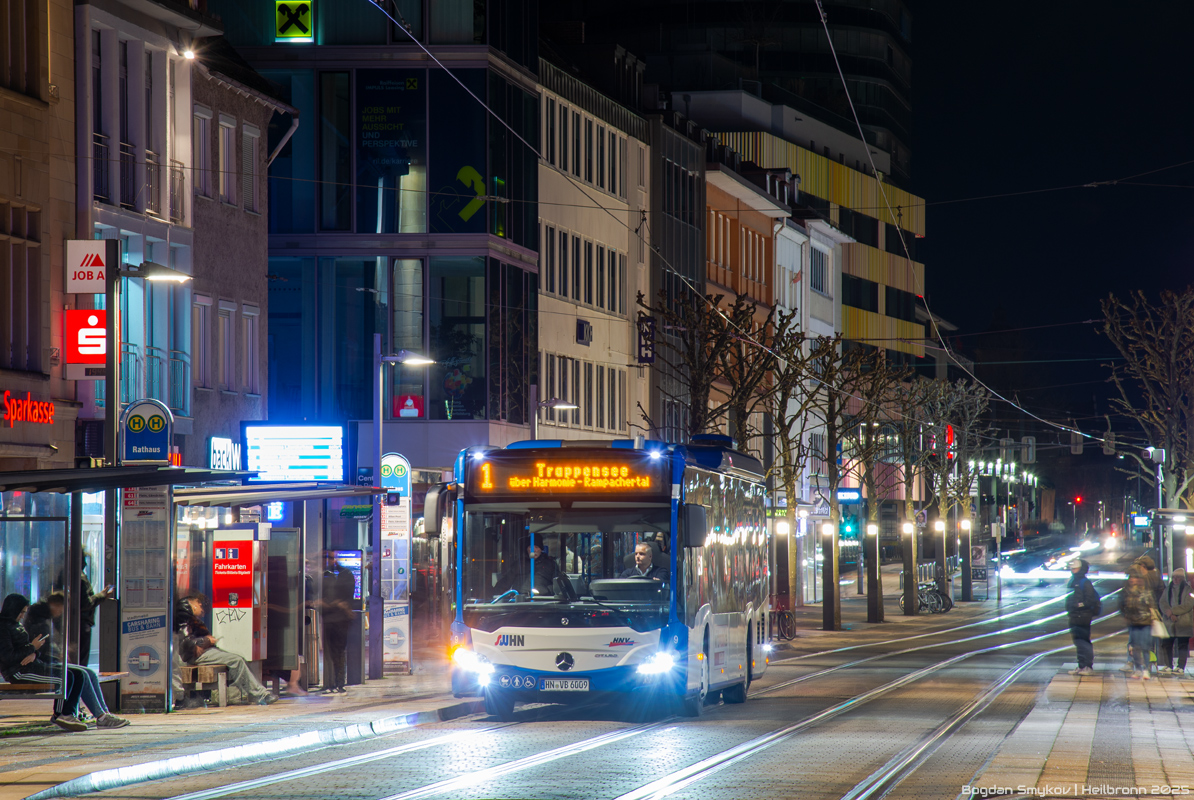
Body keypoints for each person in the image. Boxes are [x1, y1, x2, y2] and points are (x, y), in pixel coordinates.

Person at [0, 593, 129, 730]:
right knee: (66, 677)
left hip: (33, 664)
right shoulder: (4, 628)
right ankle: (63, 714)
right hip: (19, 671)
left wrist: (34, 652)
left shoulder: (17, 625)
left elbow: (30, 647)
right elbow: (8, 656)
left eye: (24, 612)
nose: (22, 616)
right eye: (21, 612)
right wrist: (33, 649)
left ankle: (92, 714)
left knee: (79, 674)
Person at [176, 594, 276, 705]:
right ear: (197, 604)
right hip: (193, 655)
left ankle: (255, 693)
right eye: (203, 611)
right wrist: (207, 640)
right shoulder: (183, 615)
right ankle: (259, 694)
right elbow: (186, 642)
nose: (202, 615)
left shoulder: (185, 614)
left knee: (237, 659)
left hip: (199, 652)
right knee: (236, 660)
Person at [321, 555, 356, 694]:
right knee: (336, 652)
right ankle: (337, 683)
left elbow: (343, 600)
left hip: (336, 620)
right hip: (335, 620)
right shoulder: (342, 575)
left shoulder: (340, 576)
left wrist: (330, 603)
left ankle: (337, 682)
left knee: (337, 651)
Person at [1119, 572, 1158, 679]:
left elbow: (1152, 606)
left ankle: (1145, 669)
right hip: (1133, 623)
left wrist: (1152, 619)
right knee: (1135, 647)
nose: (1133, 580)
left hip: (1145, 622)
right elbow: (1122, 605)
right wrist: (1126, 615)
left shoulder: (1146, 592)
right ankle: (1138, 668)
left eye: (1135, 577)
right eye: (1131, 577)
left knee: (1145, 647)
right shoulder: (1127, 592)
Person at [1065, 559, 1100, 676]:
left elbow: (1090, 600)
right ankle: (1081, 666)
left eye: (1075, 568)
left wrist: (1079, 605)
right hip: (1075, 615)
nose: (1073, 571)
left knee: (1084, 641)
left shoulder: (1084, 582)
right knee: (1078, 642)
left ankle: (1087, 666)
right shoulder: (1074, 581)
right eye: (1072, 569)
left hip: (1083, 616)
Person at [493, 538, 561, 598]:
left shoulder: (550, 564)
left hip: (543, 601)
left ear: (541, 549)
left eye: (536, 547)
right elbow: (506, 581)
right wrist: (493, 594)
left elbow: (558, 584)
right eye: (530, 547)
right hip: (520, 601)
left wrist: (546, 591)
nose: (533, 550)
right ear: (527, 549)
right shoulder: (519, 564)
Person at [1159, 568, 1194, 676]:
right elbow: (1162, 602)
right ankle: (1169, 665)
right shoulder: (1167, 589)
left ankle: (1180, 666)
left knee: (1182, 645)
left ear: (1182, 578)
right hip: (1169, 622)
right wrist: (1169, 613)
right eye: (1174, 577)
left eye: (1178, 577)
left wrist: (1173, 611)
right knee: (1166, 644)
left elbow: (1188, 604)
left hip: (1183, 622)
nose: (1175, 579)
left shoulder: (1189, 590)